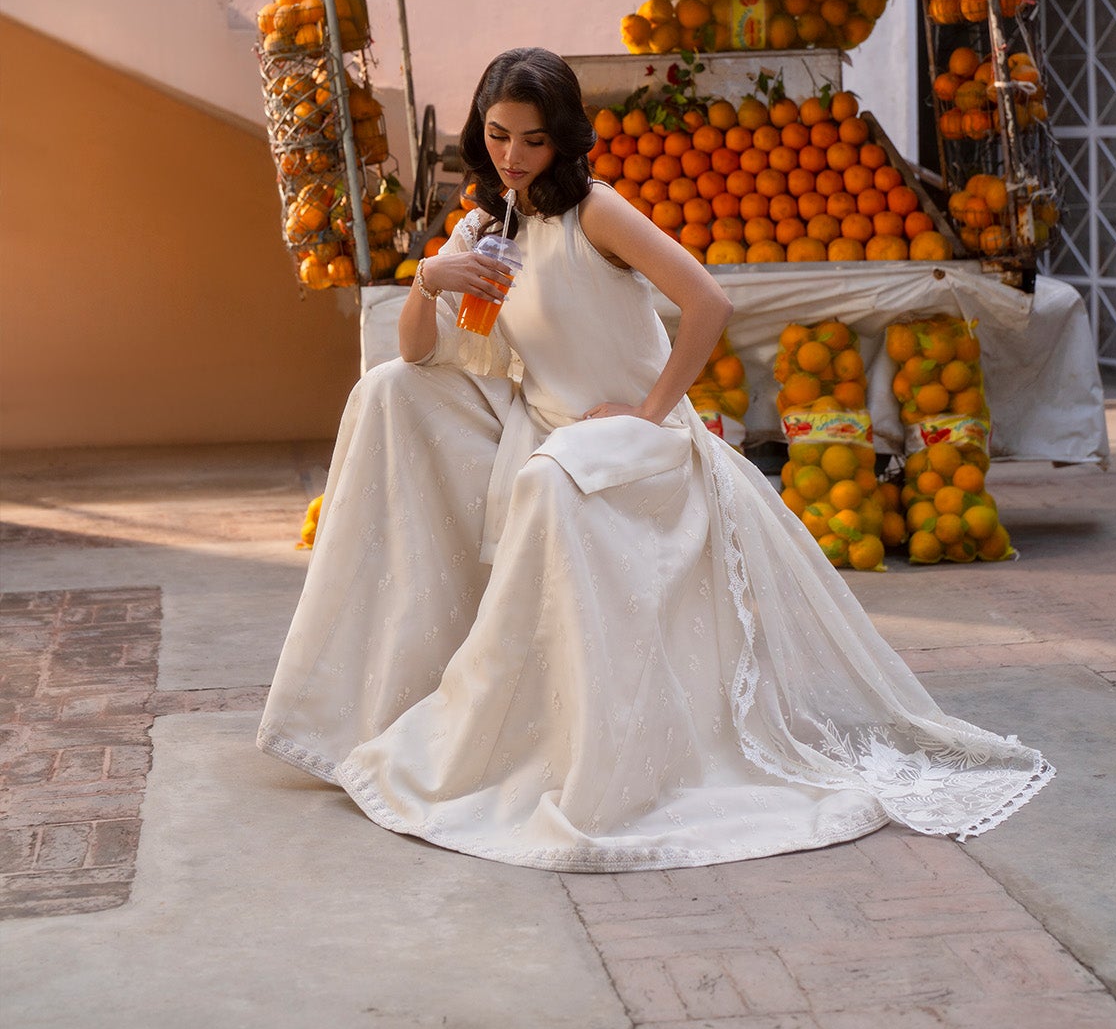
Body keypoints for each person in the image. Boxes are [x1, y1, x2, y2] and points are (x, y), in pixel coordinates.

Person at [258, 47, 1053, 871]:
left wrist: (649, 409)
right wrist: (429, 278)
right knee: (387, 392)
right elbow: (422, 358)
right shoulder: (486, 224)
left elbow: (709, 299)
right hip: (549, 426)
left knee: (551, 480)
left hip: (635, 434)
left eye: (532, 141)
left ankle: (534, 743)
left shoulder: (594, 210)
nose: (512, 156)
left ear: (563, 140)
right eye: (497, 136)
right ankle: (379, 696)